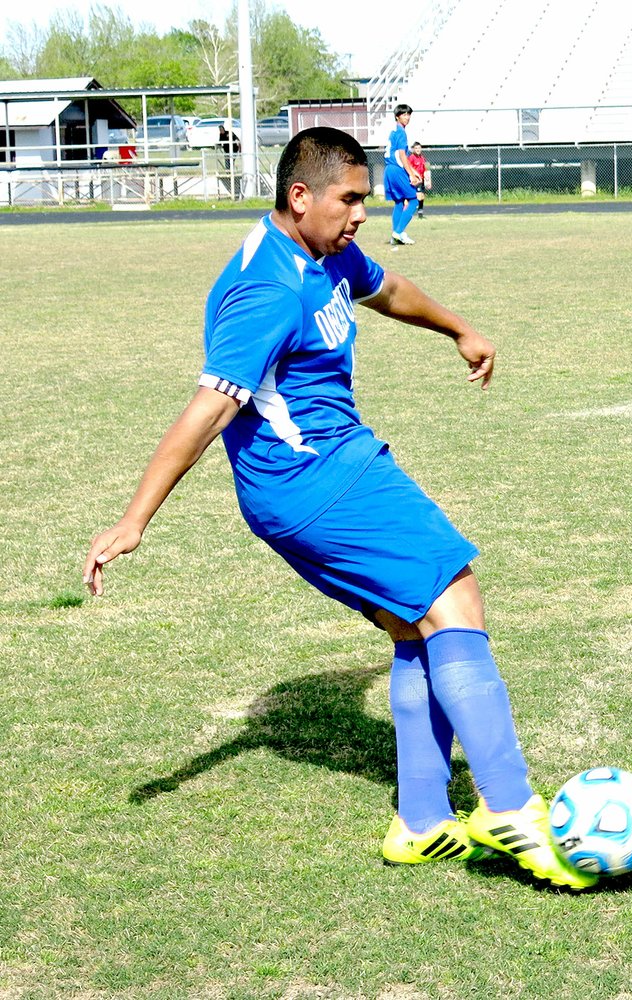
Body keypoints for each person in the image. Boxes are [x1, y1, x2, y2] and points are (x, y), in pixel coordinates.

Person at [82, 126, 596, 891]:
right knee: (454, 596)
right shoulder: (267, 286)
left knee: (413, 623)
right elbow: (208, 406)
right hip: (314, 477)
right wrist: (134, 520)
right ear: (301, 197)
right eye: (351, 199)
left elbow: (385, 288)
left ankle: (422, 823)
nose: (363, 212)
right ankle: (510, 808)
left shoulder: (326, 253)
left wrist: (459, 328)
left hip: (328, 468)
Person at [383, 104, 421, 246]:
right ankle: (398, 232)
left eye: (409, 114)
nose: (407, 117)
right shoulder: (401, 132)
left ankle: (395, 236)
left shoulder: (393, 132)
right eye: (404, 114)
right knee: (413, 200)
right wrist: (411, 174)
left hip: (389, 169)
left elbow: (400, 156)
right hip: (397, 169)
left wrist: (413, 171)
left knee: (399, 202)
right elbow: (401, 155)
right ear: (397, 116)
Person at [408, 141, 430, 219]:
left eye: (419, 148)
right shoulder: (411, 158)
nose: (418, 150)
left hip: (421, 180)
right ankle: (410, 211)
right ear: (413, 149)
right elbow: (408, 167)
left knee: (422, 196)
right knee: (418, 196)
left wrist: (427, 179)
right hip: (415, 180)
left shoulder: (422, 158)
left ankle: (420, 212)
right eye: (416, 148)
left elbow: (425, 168)